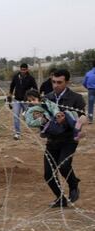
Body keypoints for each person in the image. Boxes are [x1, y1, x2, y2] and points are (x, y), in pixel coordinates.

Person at [43, 69, 85, 208]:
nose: (55, 85)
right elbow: (44, 117)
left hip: (68, 140)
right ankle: (60, 198)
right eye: (53, 82)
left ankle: (73, 184)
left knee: (64, 165)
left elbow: (81, 119)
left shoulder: (76, 98)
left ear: (67, 82)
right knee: (48, 174)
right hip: (52, 140)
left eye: (59, 82)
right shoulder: (47, 98)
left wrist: (66, 121)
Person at [8, 63, 38, 140]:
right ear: (20, 69)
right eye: (22, 69)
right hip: (17, 100)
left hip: (26, 101)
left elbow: (35, 89)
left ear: (27, 69)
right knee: (15, 116)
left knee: (27, 116)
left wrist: (34, 98)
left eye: (24, 70)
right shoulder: (16, 77)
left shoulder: (31, 78)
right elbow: (12, 87)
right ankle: (17, 133)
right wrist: (10, 96)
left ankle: (35, 127)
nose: (23, 71)